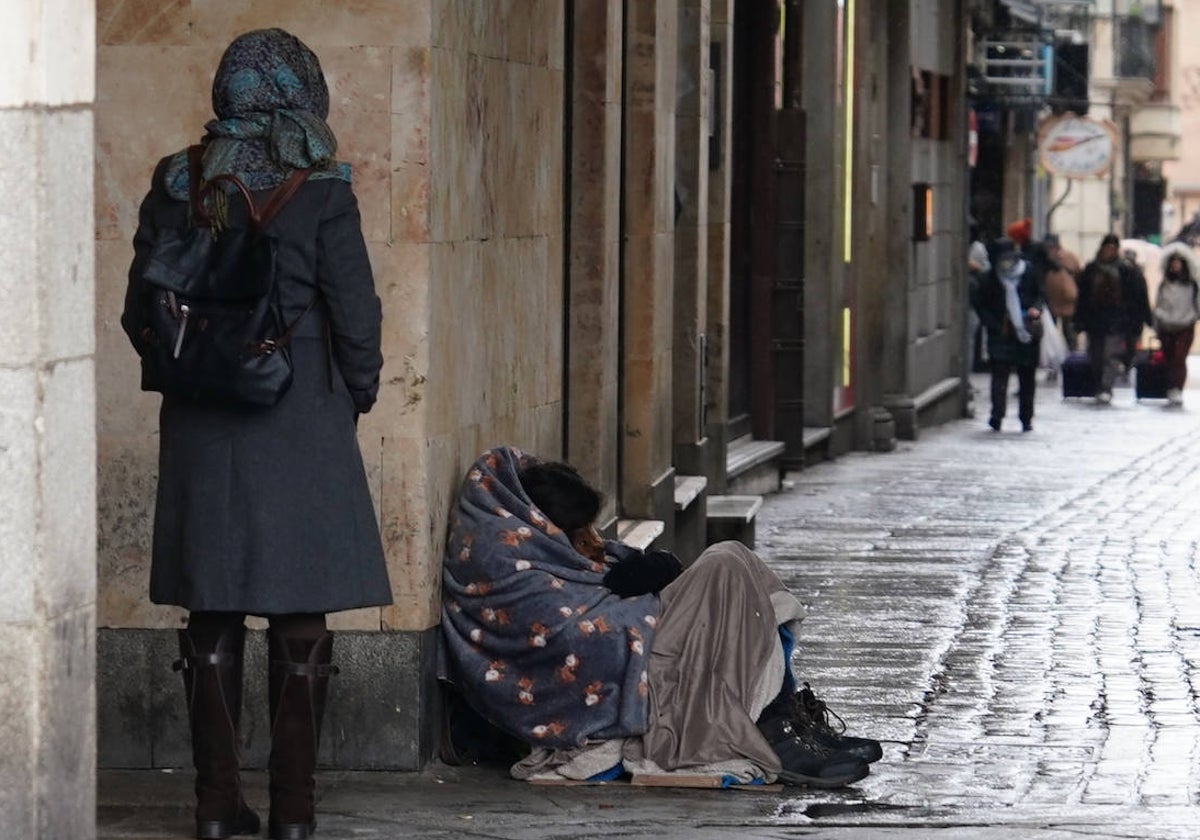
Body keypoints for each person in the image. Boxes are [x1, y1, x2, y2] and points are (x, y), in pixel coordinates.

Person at [121, 29, 390, 840]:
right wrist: (356, 394)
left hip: (203, 417)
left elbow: (141, 311)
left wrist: (195, 370)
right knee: (300, 613)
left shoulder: (178, 180)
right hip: (300, 410)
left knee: (211, 610)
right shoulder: (322, 188)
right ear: (298, 90)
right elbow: (357, 314)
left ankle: (214, 809)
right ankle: (295, 817)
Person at [439, 448, 882, 789]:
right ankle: (773, 733)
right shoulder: (506, 567)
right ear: (546, 528)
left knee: (731, 563)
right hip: (631, 665)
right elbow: (579, 638)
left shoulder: (544, 548)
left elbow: (599, 580)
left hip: (642, 641)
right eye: (579, 533)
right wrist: (649, 593)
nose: (592, 542)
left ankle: (783, 717)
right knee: (724, 567)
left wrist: (645, 577)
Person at [970, 238, 1045, 432]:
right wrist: (992, 324)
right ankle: (997, 415)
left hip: (1026, 332)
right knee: (999, 376)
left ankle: (1026, 417)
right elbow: (980, 304)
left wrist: (1035, 310)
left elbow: (1040, 296)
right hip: (1001, 332)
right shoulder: (989, 279)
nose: (1006, 264)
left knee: (1027, 377)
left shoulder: (1029, 272)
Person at [1075, 233, 1154, 403]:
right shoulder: (1091, 270)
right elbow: (1082, 296)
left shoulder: (1126, 271)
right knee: (1095, 356)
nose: (1109, 251)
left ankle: (1106, 387)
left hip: (1117, 321)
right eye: (1106, 248)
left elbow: (1137, 297)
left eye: (1112, 248)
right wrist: (1079, 319)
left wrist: (1142, 320)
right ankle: (1098, 385)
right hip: (1095, 321)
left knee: (1110, 355)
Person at [1152, 243, 1200, 406]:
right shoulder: (1164, 284)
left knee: (1179, 358)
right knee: (1169, 357)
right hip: (1166, 325)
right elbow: (1159, 303)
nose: (1175, 264)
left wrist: (1193, 317)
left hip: (1185, 325)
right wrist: (1159, 319)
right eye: (1173, 261)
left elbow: (1197, 304)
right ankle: (1170, 386)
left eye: (1179, 261)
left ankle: (1177, 388)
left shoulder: (1191, 285)